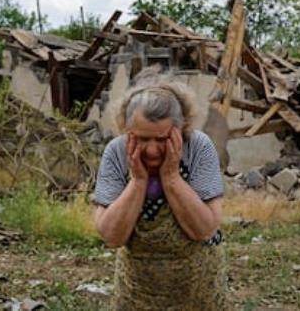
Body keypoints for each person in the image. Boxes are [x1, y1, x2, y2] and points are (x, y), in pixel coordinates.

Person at [93, 71, 229, 310]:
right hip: (137, 286)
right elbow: (111, 236)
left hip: (197, 283)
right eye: (142, 139)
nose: (153, 151)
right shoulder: (116, 152)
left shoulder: (198, 147)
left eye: (162, 139)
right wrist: (137, 182)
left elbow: (205, 229)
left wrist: (171, 177)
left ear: (181, 128)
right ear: (126, 130)